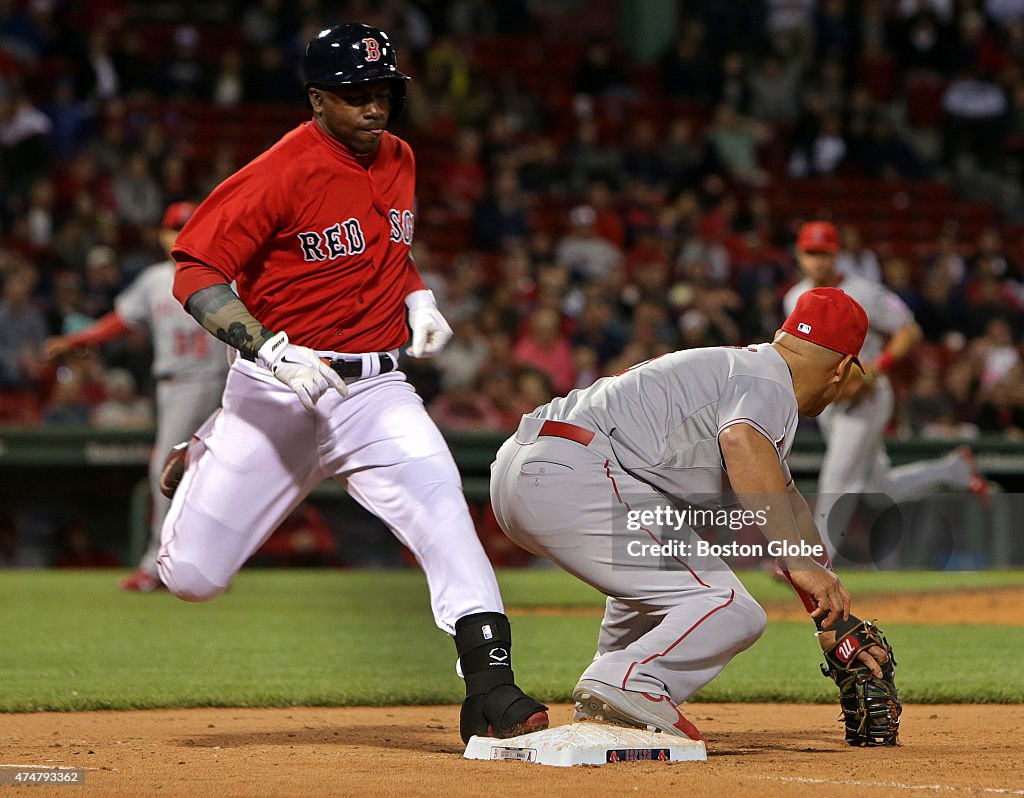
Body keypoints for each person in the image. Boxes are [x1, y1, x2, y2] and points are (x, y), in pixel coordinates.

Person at [155, 23, 547, 744]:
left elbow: (379, 249)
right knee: (193, 577)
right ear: (317, 100)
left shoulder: (400, 156)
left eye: (383, 90)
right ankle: (204, 447)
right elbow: (196, 270)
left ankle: (492, 684)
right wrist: (269, 350)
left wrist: (417, 295)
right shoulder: (280, 171)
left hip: (375, 389)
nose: (373, 105)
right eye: (354, 93)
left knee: (442, 508)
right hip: (278, 386)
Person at [490, 287, 889, 740]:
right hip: (572, 471)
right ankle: (629, 681)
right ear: (842, 369)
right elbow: (742, 442)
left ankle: (609, 697)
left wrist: (831, 619)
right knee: (730, 608)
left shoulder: (749, 368)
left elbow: (786, 503)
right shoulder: (768, 382)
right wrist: (797, 563)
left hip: (530, 466)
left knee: (661, 593)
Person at [44, 202, 228, 592]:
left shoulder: (224, 275)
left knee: (167, 468)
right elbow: (120, 321)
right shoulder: (154, 280)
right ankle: (197, 566)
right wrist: (76, 341)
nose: (178, 236)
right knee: (195, 475)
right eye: (173, 229)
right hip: (169, 385)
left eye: (187, 228)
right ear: (162, 235)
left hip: (206, 381)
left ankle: (157, 565)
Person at [783, 221, 989, 563]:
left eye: (824, 253)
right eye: (810, 253)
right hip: (829, 401)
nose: (817, 261)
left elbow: (909, 330)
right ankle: (953, 469)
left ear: (837, 255)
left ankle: (815, 562)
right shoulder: (794, 297)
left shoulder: (865, 291)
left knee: (838, 475)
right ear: (799, 255)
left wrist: (876, 367)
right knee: (880, 490)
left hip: (868, 395)